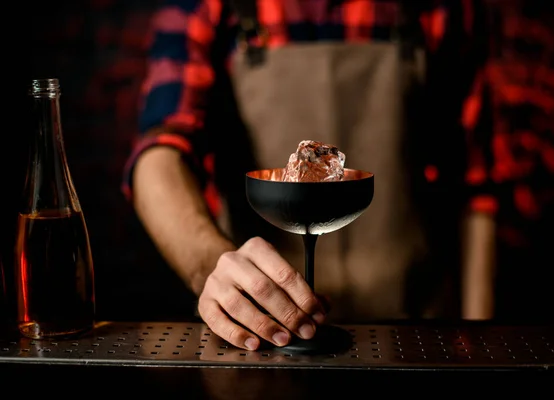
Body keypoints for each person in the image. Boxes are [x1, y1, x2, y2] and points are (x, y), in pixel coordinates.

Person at [121, 0, 506, 351]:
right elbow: (159, 154)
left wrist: (479, 341)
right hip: (262, 336)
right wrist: (212, 265)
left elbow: (477, 185)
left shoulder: (442, 8)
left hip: (415, 334)